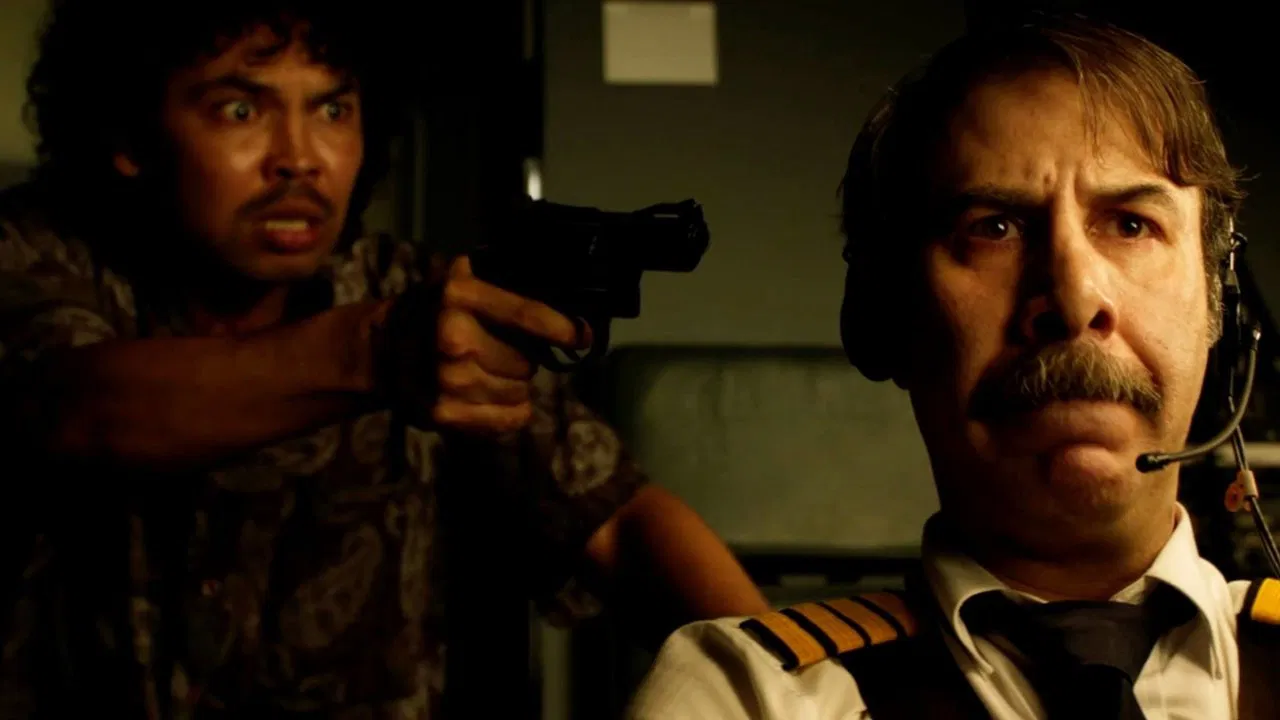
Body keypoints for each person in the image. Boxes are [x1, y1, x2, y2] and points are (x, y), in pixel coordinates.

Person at [0, 1, 769, 717]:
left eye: (332, 110)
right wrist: (374, 351)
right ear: (130, 136)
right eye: (240, 110)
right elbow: (77, 408)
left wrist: (784, 674)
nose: (299, 159)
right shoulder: (36, 255)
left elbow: (618, 518)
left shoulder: (409, 288)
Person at [626, 14, 1280, 720]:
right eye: (993, 228)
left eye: (1130, 224)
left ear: (1218, 307)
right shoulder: (743, 695)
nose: (1074, 297)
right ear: (882, 316)